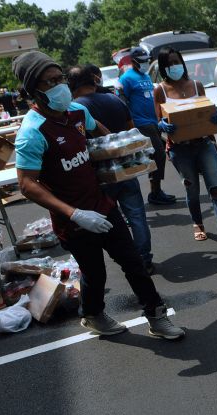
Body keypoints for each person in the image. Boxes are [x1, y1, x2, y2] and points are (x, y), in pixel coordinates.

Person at [12, 50, 183, 339]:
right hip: (73, 219)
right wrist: (74, 214)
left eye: (60, 78)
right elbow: (27, 184)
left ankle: (156, 315)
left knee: (133, 263)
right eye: (49, 82)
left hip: (103, 204)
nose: (59, 85)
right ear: (33, 91)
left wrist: (133, 148)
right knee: (94, 273)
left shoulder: (79, 112)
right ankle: (93, 315)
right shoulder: (32, 132)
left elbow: (105, 139)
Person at [67, 64, 156, 274]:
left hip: (98, 175)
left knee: (108, 221)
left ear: (71, 85)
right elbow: (130, 130)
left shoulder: (75, 108)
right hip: (126, 168)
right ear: (93, 81)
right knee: (137, 217)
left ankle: (128, 262)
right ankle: (144, 260)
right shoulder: (114, 100)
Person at [153, 47, 217, 254]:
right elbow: (157, 119)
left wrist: (214, 117)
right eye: (169, 64)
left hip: (203, 144)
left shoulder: (196, 85)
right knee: (191, 188)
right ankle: (197, 223)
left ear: (182, 63)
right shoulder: (161, 90)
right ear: (163, 67)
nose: (173, 67)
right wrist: (162, 126)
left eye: (176, 62)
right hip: (180, 149)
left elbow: (205, 110)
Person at [118, 47, 176, 206]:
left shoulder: (145, 76)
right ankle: (155, 192)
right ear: (134, 61)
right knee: (159, 154)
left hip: (153, 121)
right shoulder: (126, 79)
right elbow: (122, 102)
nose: (145, 64)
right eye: (142, 61)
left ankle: (156, 191)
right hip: (140, 123)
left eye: (147, 61)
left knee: (156, 156)